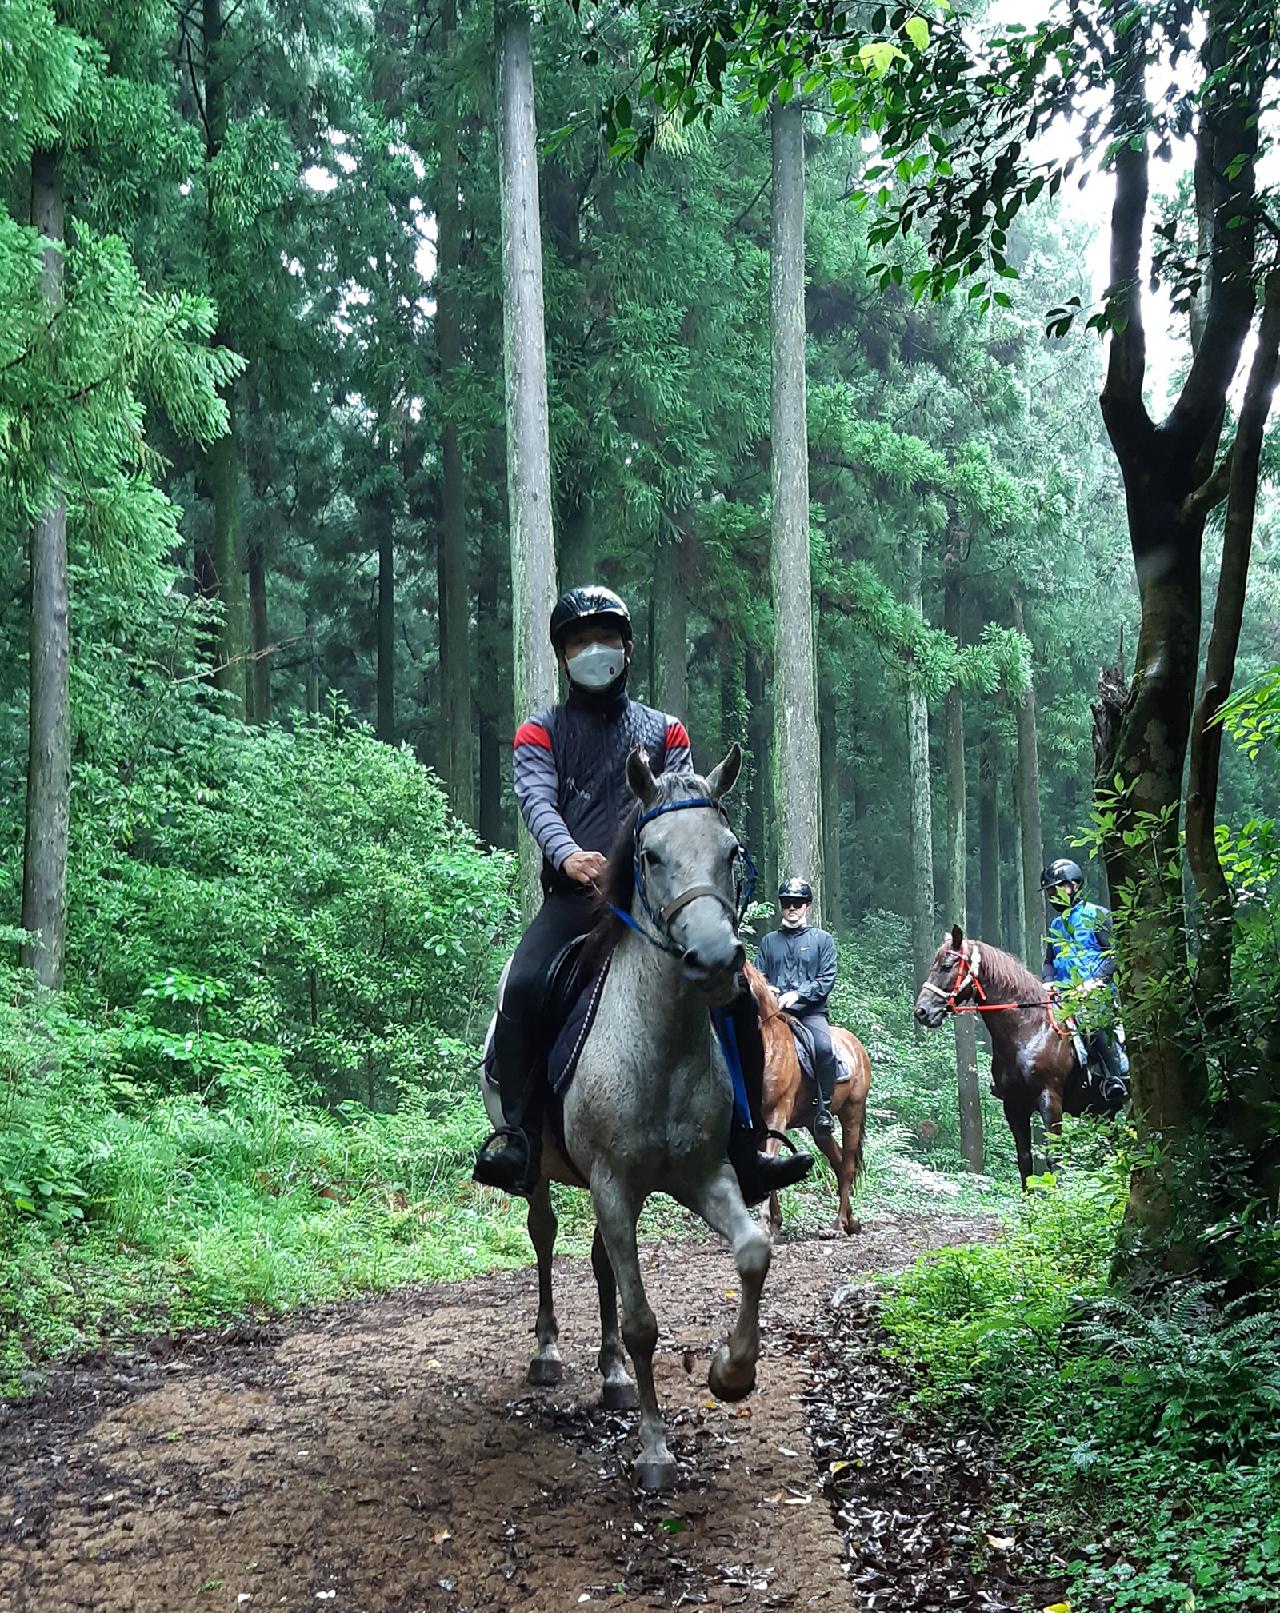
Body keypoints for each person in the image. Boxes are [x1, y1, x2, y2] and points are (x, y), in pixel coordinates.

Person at [473, 584, 812, 1204]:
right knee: (524, 986)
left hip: (655, 909)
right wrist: (569, 854)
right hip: (576, 900)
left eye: (605, 638)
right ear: (561, 654)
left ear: (627, 649)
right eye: (579, 641)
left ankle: (746, 1142)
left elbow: (682, 807)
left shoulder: (666, 730)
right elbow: (536, 801)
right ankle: (519, 1139)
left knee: (734, 997)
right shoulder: (538, 732)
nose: (593, 650)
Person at [1039, 857, 1129, 1107]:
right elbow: (1049, 961)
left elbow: (1114, 954)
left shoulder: (1098, 916)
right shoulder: (1056, 925)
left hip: (1096, 996)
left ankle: (1116, 1078)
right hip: (1064, 997)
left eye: (1055, 889)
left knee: (1093, 1024)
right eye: (1049, 892)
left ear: (1073, 886)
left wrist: (1095, 982)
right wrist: (1048, 981)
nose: (1051, 896)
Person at [755, 879, 840, 1137]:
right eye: (786, 902)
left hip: (810, 1013)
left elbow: (826, 979)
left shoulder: (822, 940)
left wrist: (799, 995)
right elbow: (759, 975)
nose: (792, 908)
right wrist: (766, 990)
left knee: (824, 1049)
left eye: (797, 903)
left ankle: (823, 1109)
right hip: (775, 1014)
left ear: (807, 906)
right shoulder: (769, 941)